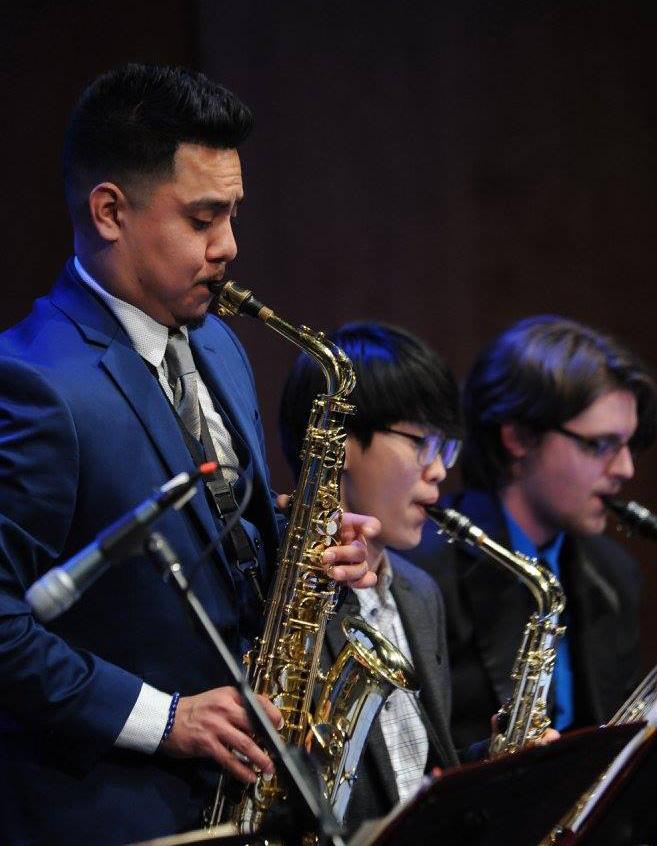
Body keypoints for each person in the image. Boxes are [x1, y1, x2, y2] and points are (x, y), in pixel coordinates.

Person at [0, 64, 378, 846]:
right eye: (203, 218)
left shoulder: (217, 344)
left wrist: (313, 552)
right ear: (110, 211)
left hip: (242, 798)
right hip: (111, 816)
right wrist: (163, 720)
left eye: (232, 214)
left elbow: (218, 543)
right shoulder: (31, 383)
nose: (228, 246)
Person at [407, 315, 657, 750]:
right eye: (600, 445)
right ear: (519, 437)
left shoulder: (615, 574)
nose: (625, 469)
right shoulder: (422, 573)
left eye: (628, 446)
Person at [279, 321, 465, 833]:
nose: (439, 470)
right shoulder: (283, 589)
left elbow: (414, 772)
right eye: (421, 441)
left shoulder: (420, 591)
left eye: (446, 448)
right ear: (338, 440)